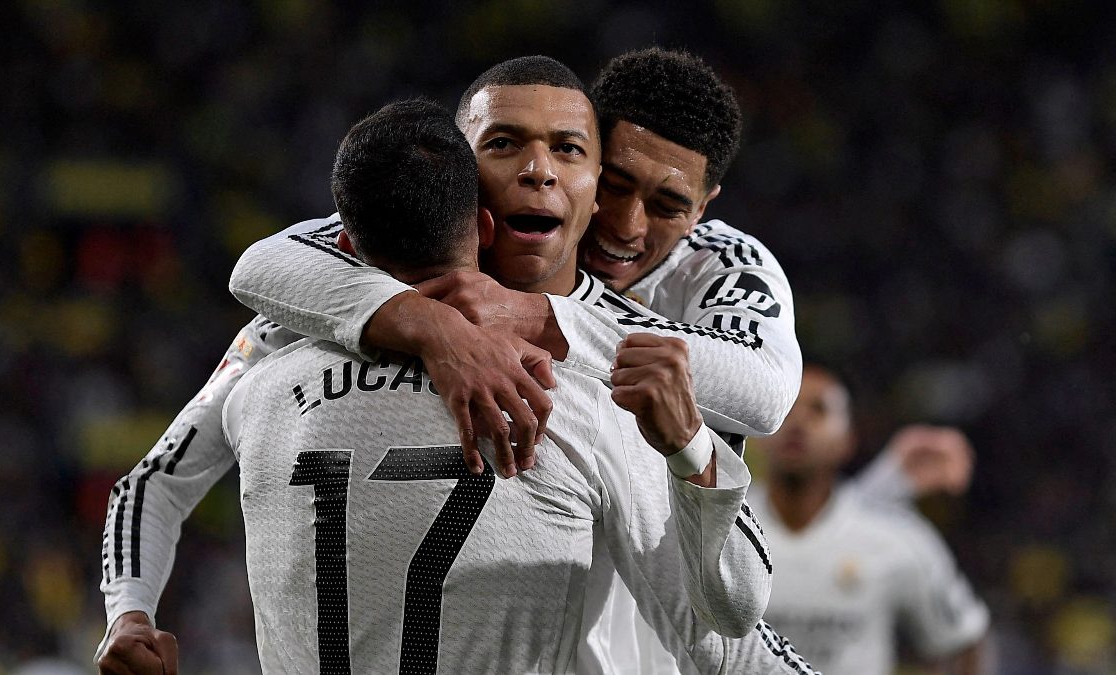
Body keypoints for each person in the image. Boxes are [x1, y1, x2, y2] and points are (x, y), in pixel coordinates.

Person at [97, 56, 782, 672]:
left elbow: (763, 391)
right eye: (504, 143)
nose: (539, 169)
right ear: (461, 169)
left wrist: (520, 320)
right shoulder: (597, 390)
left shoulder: (626, 353)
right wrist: (434, 327)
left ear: (592, 180)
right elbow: (260, 268)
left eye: (567, 148)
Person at [748, 365, 989, 675]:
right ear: (759, 433)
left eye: (818, 410)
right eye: (786, 408)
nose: (798, 422)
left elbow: (962, 638)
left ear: (847, 440)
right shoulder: (723, 529)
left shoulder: (899, 536)